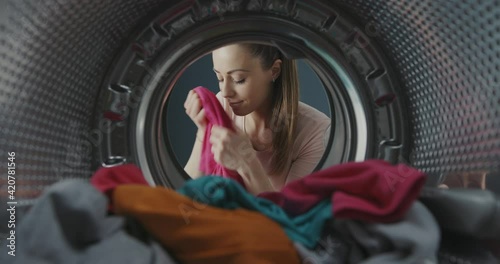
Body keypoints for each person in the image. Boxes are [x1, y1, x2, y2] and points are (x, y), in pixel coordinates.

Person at [183, 43, 331, 195]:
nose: (225, 92)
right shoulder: (222, 106)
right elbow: (185, 191)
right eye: (220, 78)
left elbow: (287, 214)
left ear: (274, 71)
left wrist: (246, 161)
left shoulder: (315, 133)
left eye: (238, 79)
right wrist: (203, 133)